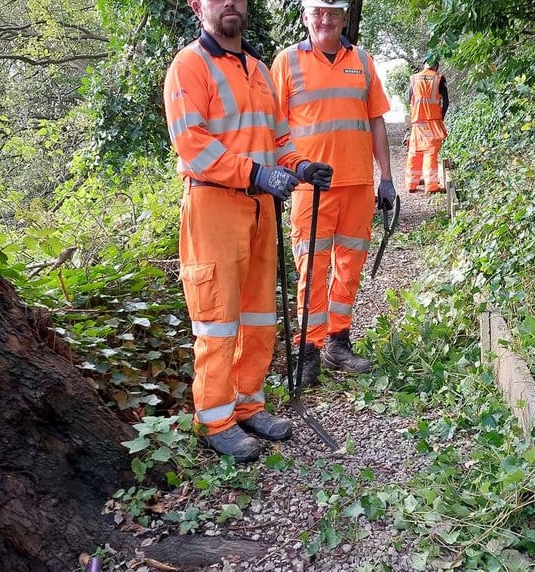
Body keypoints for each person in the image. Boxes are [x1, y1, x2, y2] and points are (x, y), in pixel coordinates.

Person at [163, 0, 333, 462]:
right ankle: (215, 419)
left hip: (261, 209)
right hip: (213, 206)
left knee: (259, 315)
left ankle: (247, 404)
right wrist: (256, 174)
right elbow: (192, 143)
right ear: (198, 6)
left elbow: (277, 140)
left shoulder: (258, 68)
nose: (230, 3)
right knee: (218, 318)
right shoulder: (188, 65)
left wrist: (301, 165)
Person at [270, 0, 396, 386]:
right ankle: (307, 348)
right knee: (312, 267)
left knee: (348, 267)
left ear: (343, 18)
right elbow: (273, 125)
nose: (325, 20)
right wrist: (277, 174)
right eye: (318, 12)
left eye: (333, 13)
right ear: (306, 17)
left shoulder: (363, 60)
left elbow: (375, 122)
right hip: (310, 187)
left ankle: (338, 341)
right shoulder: (287, 62)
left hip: (357, 184)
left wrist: (386, 179)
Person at [405, 55, 449, 194]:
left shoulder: (414, 78)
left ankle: (411, 184)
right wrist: (440, 117)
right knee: (430, 152)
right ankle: (431, 187)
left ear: (424, 65)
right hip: (433, 121)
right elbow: (446, 102)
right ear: (436, 66)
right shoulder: (439, 78)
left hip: (417, 122)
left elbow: (408, 98)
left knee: (415, 152)